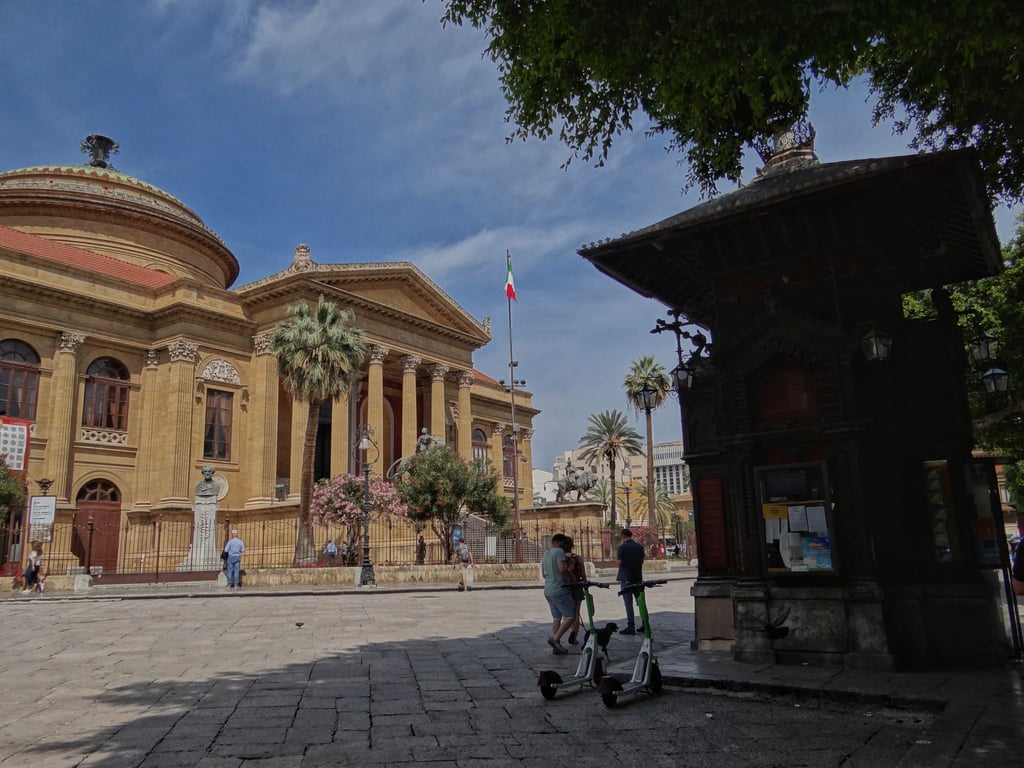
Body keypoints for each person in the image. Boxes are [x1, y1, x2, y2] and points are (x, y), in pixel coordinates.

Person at [540, 533, 574, 654]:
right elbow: (562, 569)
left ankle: (557, 646)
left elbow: (544, 574)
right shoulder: (559, 551)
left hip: (548, 589)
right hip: (560, 589)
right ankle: (555, 639)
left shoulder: (546, 553)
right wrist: (571, 574)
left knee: (556, 618)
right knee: (570, 616)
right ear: (559, 543)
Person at [616, 528, 645, 635]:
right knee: (640, 602)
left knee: (628, 604)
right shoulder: (639, 547)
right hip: (638, 578)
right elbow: (642, 561)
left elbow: (619, 563)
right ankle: (645, 624)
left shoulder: (622, 547)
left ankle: (631, 626)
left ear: (623, 536)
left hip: (626, 578)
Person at [563, 536, 587, 645]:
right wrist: (585, 584)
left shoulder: (561, 559)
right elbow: (583, 574)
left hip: (565, 587)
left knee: (567, 613)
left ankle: (566, 632)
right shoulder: (578, 558)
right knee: (576, 613)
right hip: (577, 586)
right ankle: (574, 636)